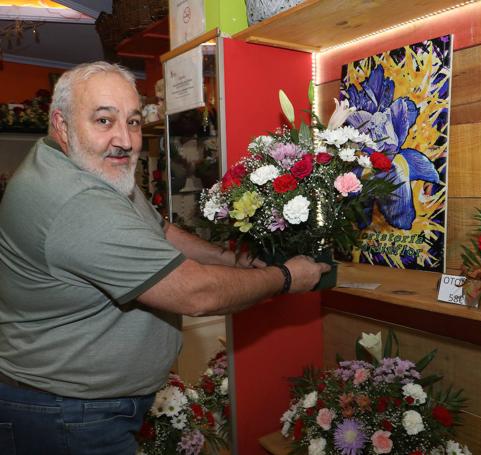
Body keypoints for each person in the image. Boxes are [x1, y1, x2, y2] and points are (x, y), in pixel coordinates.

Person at [0, 61, 329, 454]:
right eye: (104, 121)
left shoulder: (88, 167)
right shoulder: (76, 202)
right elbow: (195, 294)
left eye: (134, 122)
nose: (125, 139)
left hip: (79, 406)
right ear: (61, 124)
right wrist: (287, 277)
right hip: (67, 416)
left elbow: (161, 231)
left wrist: (234, 260)